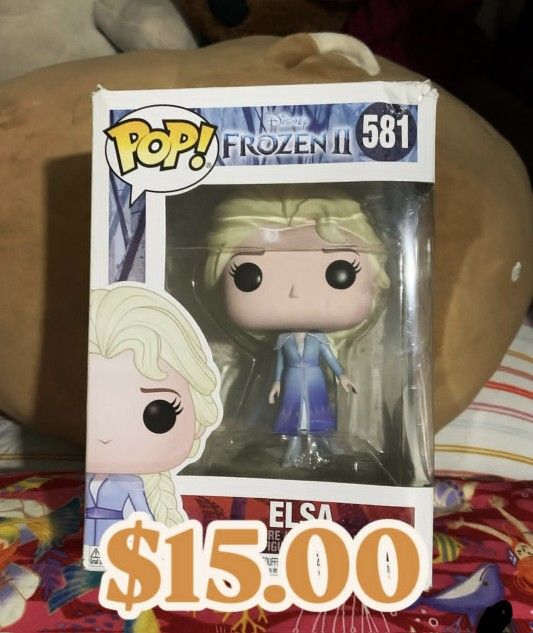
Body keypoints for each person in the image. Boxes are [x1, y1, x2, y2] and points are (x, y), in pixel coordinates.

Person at [85, 284, 222, 547]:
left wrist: (155, 541)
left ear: (198, 420)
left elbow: (146, 516)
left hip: (128, 546)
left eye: (159, 415)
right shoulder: (87, 480)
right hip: (93, 545)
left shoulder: (133, 485)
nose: (106, 435)